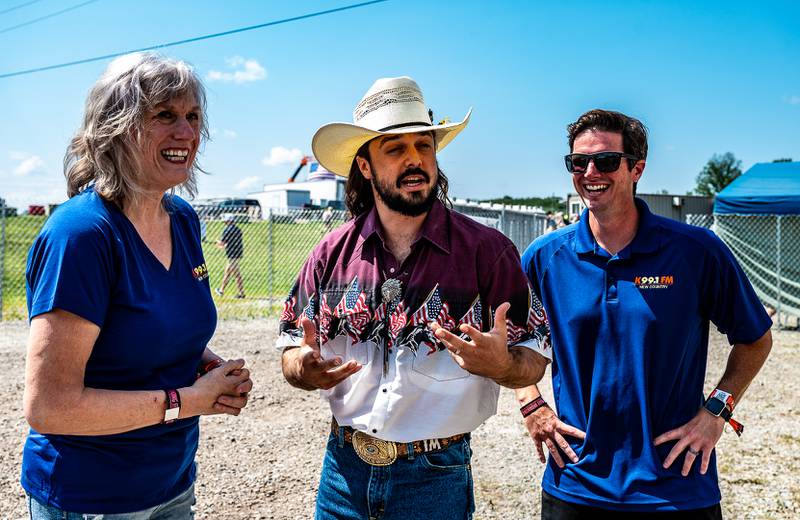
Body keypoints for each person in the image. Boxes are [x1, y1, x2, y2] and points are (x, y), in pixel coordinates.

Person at [278, 76, 551, 520]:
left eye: (423, 146)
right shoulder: (329, 254)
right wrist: (303, 368)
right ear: (364, 167)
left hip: (435, 477)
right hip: (342, 476)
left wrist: (502, 365)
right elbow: (290, 347)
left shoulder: (488, 252)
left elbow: (534, 356)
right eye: (395, 149)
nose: (415, 160)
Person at [23, 52, 253, 518]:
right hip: (92, 497)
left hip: (171, 483)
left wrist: (208, 366)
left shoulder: (184, 221)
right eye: (164, 115)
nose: (186, 133)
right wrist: (187, 401)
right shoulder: (83, 235)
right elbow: (49, 406)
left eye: (192, 117)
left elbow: (157, 326)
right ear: (117, 128)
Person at [517, 109, 773, 518]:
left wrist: (717, 411)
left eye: (605, 160)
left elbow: (755, 338)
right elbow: (513, 343)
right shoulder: (546, 257)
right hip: (577, 485)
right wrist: (532, 404)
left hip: (676, 486)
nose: (589, 172)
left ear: (637, 168)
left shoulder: (696, 251)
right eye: (577, 162)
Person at [216, 214, 245, 298]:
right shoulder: (238, 229)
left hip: (231, 254)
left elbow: (223, 243)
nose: (224, 222)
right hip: (237, 253)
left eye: (225, 220)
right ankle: (221, 290)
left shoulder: (227, 230)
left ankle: (241, 293)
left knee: (236, 274)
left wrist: (218, 242)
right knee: (227, 272)